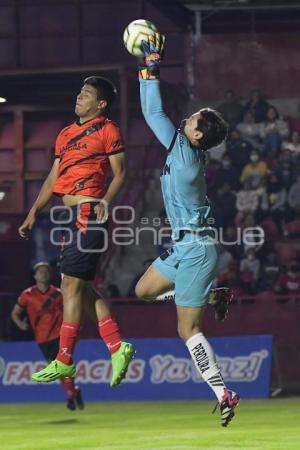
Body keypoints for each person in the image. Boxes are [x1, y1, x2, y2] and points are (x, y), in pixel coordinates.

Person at [134, 33, 240, 427]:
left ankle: (223, 391)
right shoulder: (185, 151)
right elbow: (159, 118)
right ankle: (212, 295)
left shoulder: (183, 150)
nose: (190, 117)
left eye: (196, 118)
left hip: (196, 249)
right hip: (184, 249)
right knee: (143, 291)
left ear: (197, 134)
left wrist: (152, 65)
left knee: (186, 329)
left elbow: (153, 113)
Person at [18, 76, 135, 387]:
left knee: (70, 285)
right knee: (80, 288)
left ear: (101, 104)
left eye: (87, 94)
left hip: (88, 211)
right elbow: (52, 178)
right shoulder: (65, 134)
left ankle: (65, 359)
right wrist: (33, 213)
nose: (80, 96)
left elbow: (122, 172)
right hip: (67, 215)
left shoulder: (108, 129)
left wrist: (106, 202)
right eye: (80, 92)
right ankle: (116, 346)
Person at [11, 262, 84, 410]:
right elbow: (15, 313)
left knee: (65, 364)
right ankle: (74, 391)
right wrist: (20, 324)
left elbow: (73, 310)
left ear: (50, 275)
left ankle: (71, 394)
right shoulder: (27, 295)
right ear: (35, 276)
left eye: (46, 271)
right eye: (40, 272)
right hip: (42, 338)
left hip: (60, 334)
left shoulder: (58, 293)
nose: (43, 274)